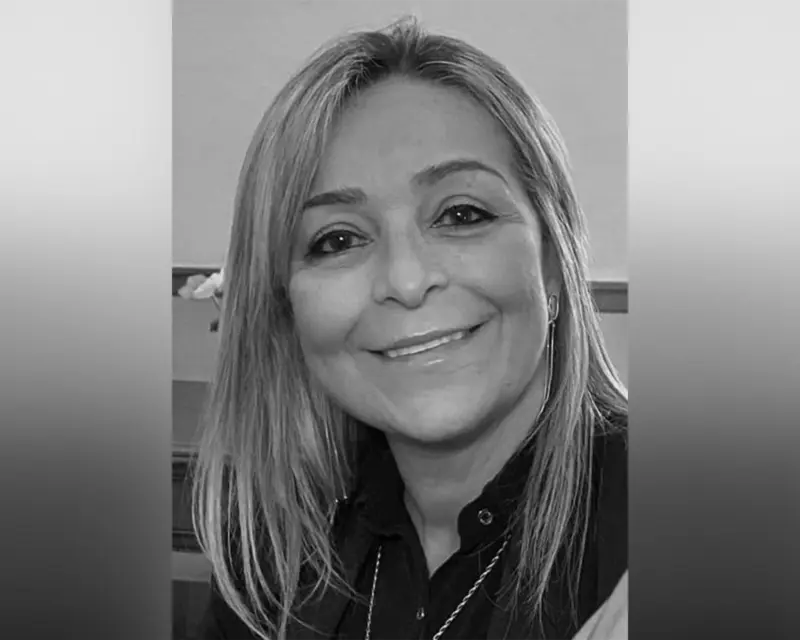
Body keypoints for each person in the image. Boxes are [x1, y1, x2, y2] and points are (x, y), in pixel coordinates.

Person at [193, 16, 628, 640]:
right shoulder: (268, 555)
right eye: (337, 240)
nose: (406, 278)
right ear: (286, 308)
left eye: (462, 213)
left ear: (553, 261)